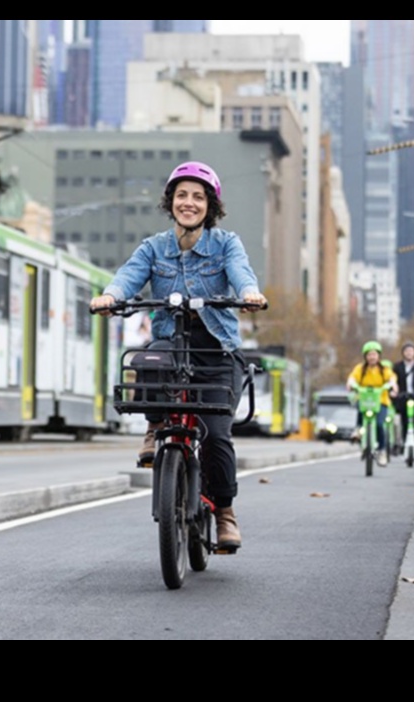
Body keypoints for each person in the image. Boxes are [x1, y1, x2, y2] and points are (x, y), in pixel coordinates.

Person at [90, 161, 267, 552]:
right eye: (181, 195)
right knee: (148, 359)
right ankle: (155, 427)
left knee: (217, 435)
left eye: (198, 197)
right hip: (171, 342)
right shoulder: (153, 247)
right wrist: (111, 296)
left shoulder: (226, 244)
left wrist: (249, 293)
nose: (189, 203)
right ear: (170, 202)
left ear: (210, 205)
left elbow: (240, 271)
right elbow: (129, 276)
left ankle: (225, 513)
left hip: (216, 349)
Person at [346, 340, 399, 467]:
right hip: (365, 399)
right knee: (359, 408)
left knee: (380, 424)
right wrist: (351, 384)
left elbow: (392, 378)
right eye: (369, 354)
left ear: (379, 356)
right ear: (365, 356)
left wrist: (392, 385)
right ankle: (358, 429)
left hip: (381, 401)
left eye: (374, 354)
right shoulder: (360, 369)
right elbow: (352, 378)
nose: (372, 357)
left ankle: (382, 451)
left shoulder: (384, 369)